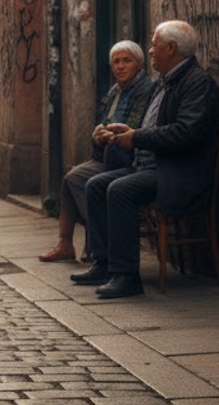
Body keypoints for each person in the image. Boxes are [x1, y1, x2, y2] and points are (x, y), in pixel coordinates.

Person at [72, 20, 219, 299]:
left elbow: (184, 133)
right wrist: (124, 132)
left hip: (178, 173)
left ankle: (127, 276)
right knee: (95, 184)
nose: (150, 51)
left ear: (172, 48)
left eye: (154, 45)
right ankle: (104, 263)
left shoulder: (197, 84)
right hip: (151, 167)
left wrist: (137, 137)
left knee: (120, 190)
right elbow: (152, 126)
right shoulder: (166, 83)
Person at [39, 41, 155, 262]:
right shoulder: (115, 91)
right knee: (70, 178)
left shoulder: (145, 90)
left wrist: (111, 135)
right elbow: (104, 122)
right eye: (116, 62)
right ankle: (65, 243)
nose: (120, 67)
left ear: (139, 65)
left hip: (129, 159)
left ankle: (96, 244)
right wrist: (98, 135)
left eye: (126, 61)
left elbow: (137, 127)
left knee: (85, 182)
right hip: (108, 153)